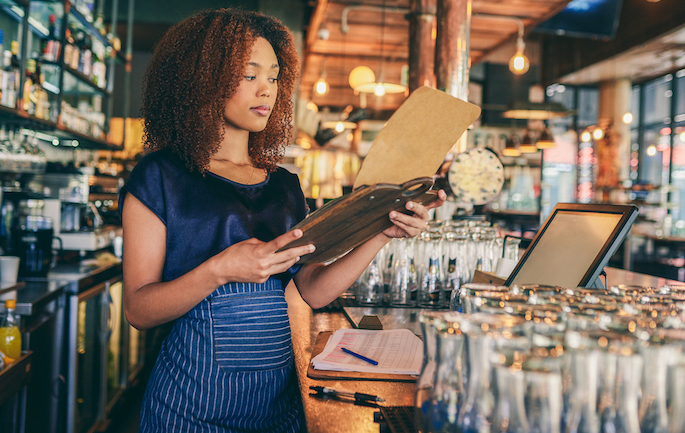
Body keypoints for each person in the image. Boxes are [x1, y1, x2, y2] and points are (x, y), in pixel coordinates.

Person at [119, 8, 445, 433]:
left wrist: (380, 234)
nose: (266, 91)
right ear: (204, 78)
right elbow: (139, 309)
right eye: (249, 75)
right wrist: (221, 269)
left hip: (278, 405)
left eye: (273, 77)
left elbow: (311, 289)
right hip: (191, 405)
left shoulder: (285, 186)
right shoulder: (160, 176)